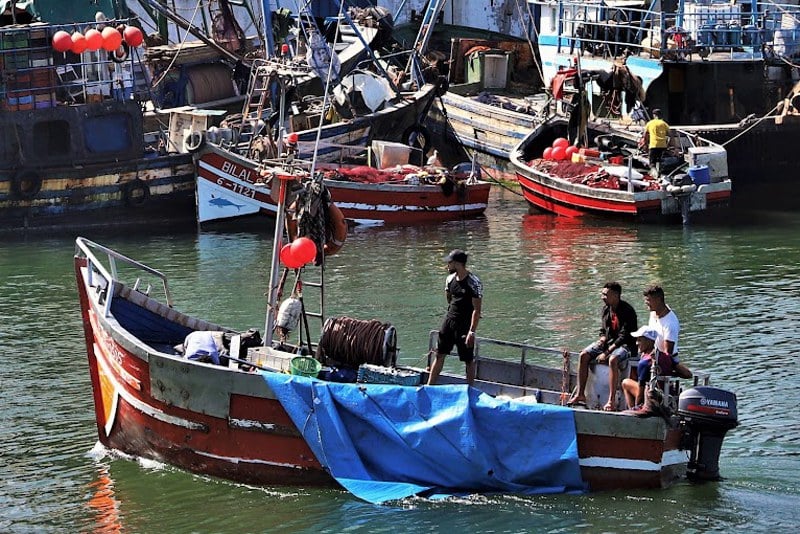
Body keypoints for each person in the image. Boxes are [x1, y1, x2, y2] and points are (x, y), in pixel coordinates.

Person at [568, 282, 638, 411]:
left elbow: (624, 336)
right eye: (602, 294)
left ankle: (611, 400)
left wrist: (606, 353)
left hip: (625, 345)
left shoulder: (628, 311)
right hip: (609, 342)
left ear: (616, 295)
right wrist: (602, 339)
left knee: (613, 359)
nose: (602, 297)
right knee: (584, 355)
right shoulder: (606, 309)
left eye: (606, 295)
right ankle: (580, 394)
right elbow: (603, 330)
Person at [427, 249, 483, 386]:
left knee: (468, 360)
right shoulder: (449, 279)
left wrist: (472, 331)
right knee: (439, 354)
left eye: (449, 262)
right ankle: (429, 386)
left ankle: (470, 390)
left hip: (464, 324)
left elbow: (477, 310)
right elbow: (449, 299)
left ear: (457, 263)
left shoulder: (474, 282)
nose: (447, 265)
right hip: (449, 321)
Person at [644, 284, 692, 379]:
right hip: (653, 352)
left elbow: (667, 354)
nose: (646, 303)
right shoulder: (654, 313)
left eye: (649, 300)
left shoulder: (670, 323)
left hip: (667, 358)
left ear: (658, 300)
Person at [622, 326, 673, 409]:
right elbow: (687, 374)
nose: (636, 343)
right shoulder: (666, 356)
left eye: (640, 340)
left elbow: (640, 393)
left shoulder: (644, 362)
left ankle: (632, 409)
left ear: (649, 341)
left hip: (653, 397)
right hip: (667, 396)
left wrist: (637, 407)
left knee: (625, 382)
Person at [641, 108, 669, 175]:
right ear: (660, 115)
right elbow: (670, 135)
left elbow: (645, 134)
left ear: (654, 115)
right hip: (662, 145)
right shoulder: (664, 123)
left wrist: (645, 143)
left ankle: (654, 174)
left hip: (653, 145)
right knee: (659, 161)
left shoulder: (650, 123)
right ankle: (659, 173)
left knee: (652, 163)